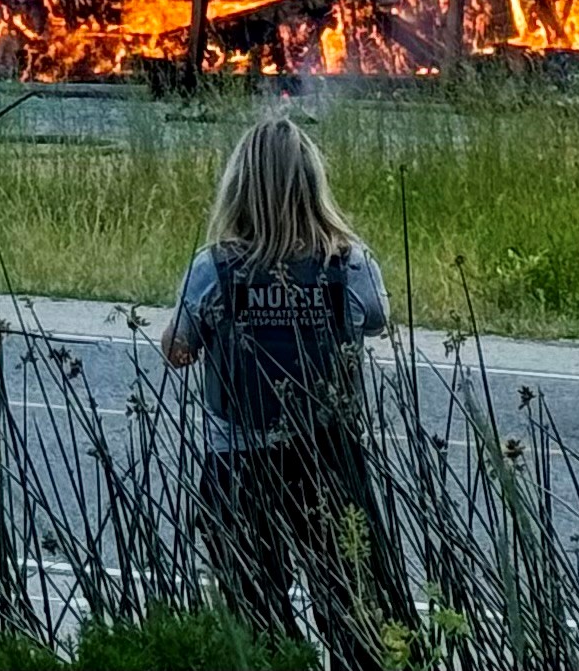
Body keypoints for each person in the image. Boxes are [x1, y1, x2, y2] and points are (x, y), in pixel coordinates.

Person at [162, 111, 409, 667]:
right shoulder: (349, 263)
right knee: (358, 609)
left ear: (238, 189)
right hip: (330, 460)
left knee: (257, 616)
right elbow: (375, 323)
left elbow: (177, 350)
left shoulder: (214, 268)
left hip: (239, 463)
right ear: (314, 186)